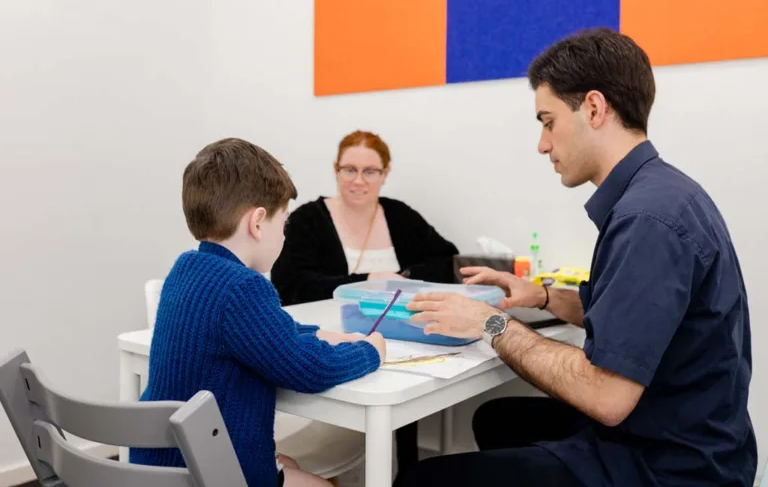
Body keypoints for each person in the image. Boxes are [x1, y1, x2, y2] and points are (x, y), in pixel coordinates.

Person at [396, 28, 757, 486]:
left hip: (669, 467)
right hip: (684, 433)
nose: (543, 144)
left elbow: (606, 396)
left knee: (422, 480)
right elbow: (636, 318)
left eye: (548, 122)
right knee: (497, 419)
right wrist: (543, 297)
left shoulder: (647, 218)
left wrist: (488, 324)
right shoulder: (662, 192)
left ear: (593, 107)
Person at [130, 138, 386, 487]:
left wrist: (314, 333)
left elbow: (267, 331)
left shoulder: (187, 269)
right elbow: (309, 369)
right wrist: (369, 351)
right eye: (284, 224)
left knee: (289, 461)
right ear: (258, 223)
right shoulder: (243, 287)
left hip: (164, 462)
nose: (284, 236)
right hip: (211, 472)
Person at [271, 130, 459, 473]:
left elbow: (448, 259)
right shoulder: (308, 220)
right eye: (349, 170)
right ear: (335, 170)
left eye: (370, 171)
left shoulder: (398, 216)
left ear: (385, 174)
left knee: (403, 390)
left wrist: (402, 274)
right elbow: (289, 285)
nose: (358, 181)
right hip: (328, 341)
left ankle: (401, 472)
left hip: (394, 339)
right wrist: (366, 282)